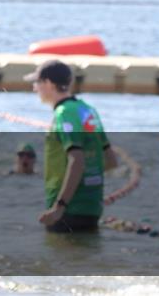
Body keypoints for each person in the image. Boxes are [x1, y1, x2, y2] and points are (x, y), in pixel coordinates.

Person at [25, 60, 116, 233]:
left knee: (59, 257)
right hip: (92, 207)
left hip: (67, 210)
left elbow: (77, 160)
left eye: (37, 83)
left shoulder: (63, 113)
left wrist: (60, 206)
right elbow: (111, 160)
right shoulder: (88, 110)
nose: (34, 88)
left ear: (49, 83)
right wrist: (87, 182)